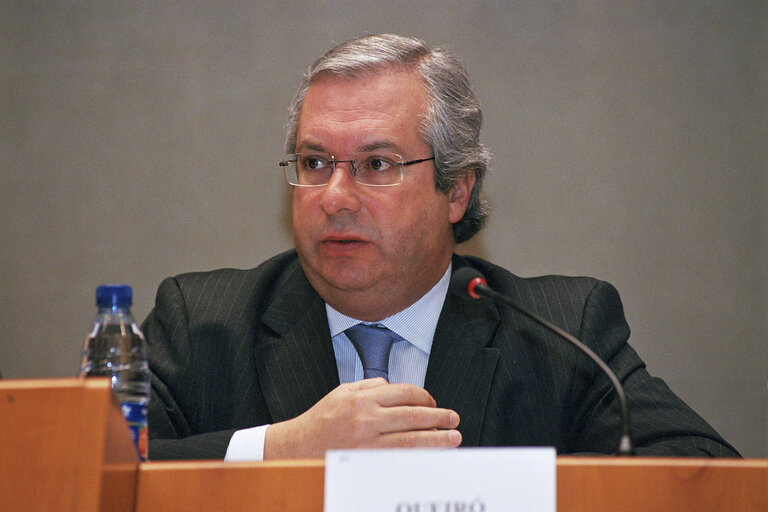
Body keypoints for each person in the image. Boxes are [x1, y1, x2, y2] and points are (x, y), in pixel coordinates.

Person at [144, 34, 739, 460]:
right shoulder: (202, 324)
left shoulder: (560, 334)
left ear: (455, 190)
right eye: (314, 162)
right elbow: (95, 475)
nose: (334, 196)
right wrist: (278, 448)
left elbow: (704, 472)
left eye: (377, 164)